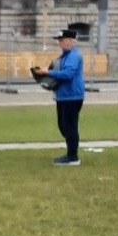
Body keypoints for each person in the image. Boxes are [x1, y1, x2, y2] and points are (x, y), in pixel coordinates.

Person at [34, 29, 85, 166]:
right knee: (63, 126)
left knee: (70, 126)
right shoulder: (64, 56)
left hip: (72, 96)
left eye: (62, 40)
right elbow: (59, 70)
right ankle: (71, 152)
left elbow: (68, 74)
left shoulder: (74, 55)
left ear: (71, 41)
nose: (60, 43)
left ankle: (72, 156)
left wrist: (49, 72)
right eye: (59, 40)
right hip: (63, 96)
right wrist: (45, 72)